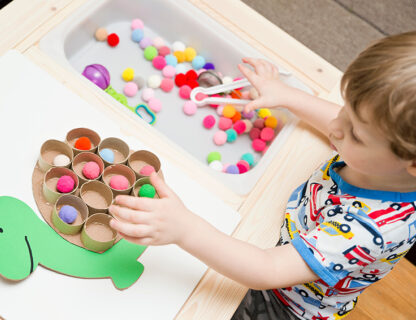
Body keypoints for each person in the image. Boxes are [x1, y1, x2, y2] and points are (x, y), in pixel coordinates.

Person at [108, 31, 416, 319]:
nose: (336, 127)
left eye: (356, 135)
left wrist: (184, 229)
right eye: (345, 110)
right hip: (288, 233)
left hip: (287, 302)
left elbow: (266, 270)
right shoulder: (383, 158)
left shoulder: (372, 229)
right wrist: (285, 95)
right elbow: (339, 122)